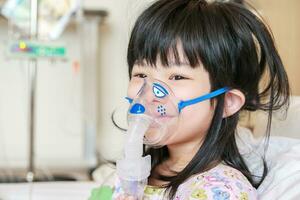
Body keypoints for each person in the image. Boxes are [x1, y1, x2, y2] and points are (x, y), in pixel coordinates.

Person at [113, 0, 290, 199]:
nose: (151, 93)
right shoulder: (130, 176)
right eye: (141, 75)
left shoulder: (222, 190)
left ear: (228, 102)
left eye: (177, 77)